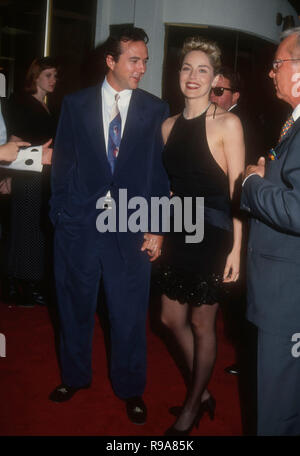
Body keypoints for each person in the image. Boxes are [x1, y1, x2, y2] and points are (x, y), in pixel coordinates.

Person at [49, 26, 169, 425]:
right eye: (134, 60)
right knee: (74, 305)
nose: (142, 69)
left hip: (131, 225)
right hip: (79, 225)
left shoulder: (155, 109)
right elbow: (64, 163)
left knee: (129, 311)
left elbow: (160, 176)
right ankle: (74, 377)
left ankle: (130, 387)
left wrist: (158, 226)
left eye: (145, 62)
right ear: (111, 61)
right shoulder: (75, 104)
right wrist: (60, 214)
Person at [157, 36, 245, 435]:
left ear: (215, 80)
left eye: (203, 70)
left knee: (201, 325)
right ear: (178, 74)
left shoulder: (227, 123)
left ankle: (193, 404)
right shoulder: (168, 126)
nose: (193, 76)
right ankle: (202, 391)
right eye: (187, 68)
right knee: (169, 317)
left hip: (214, 235)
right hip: (179, 229)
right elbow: (174, 188)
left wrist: (237, 251)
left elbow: (238, 194)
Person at [241, 26, 300, 435]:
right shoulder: (292, 124)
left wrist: (251, 183)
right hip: (283, 288)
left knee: (277, 412)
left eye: (277, 64)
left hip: (288, 297)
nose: (270, 73)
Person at [5, 57, 58, 307]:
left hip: (42, 175)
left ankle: (22, 283)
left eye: (55, 76)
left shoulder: (46, 106)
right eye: (48, 75)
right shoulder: (23, 103)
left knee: (31, 228)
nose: (53, 80)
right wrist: (7, 176)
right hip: (27, 175)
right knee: (27, 230)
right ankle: (26, 284)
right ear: (35, 77)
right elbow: (14, 141)